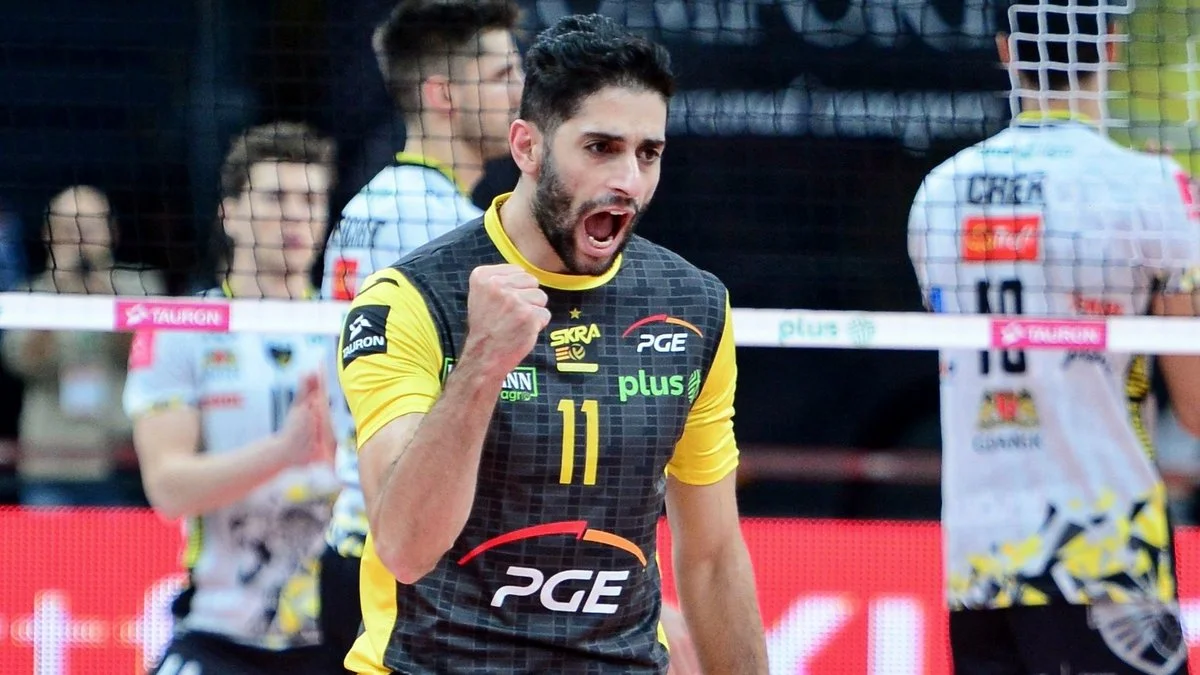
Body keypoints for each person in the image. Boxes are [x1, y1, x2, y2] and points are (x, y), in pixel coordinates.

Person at [336, 13, 767, 674]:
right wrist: (482, 363)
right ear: (527, 147)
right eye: (600, 147)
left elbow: (711, 557)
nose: (629, 180)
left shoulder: (692, 307)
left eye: (647, 153)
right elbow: (405, 547)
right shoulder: (410, 298)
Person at [907, 1, 1200, 673]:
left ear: (1007, 51)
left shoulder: (938, 195)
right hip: (1106, 550)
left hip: (982, 554)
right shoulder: (1153, 188)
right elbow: (1196, 408)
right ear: (1113, 46)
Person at [317, 0, 522, 662]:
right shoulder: (442, 228)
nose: (521, 93)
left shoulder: (368, 205)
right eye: (502, 75)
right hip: (408, 563)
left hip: (356, 537)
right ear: (442, 95)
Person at [123, 122, 343, 675]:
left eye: (310, 200)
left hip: (337, 634)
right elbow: (168, 489)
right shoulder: (179, 328)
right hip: (219, 633)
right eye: (275, 197)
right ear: (231, 214)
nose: (294, 216)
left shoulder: (351, 328)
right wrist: (285, 451)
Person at [2, 185, 165, 506]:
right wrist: (58, 294)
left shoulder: (141, 286)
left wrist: (103, 293)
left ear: (112, 232)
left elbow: (148, 356)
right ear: (48, 234)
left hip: (123, 459)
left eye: (89, 228)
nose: (78, 238)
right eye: (67, 228)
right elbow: (21, 363)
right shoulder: (28, 295)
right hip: (51, 459)